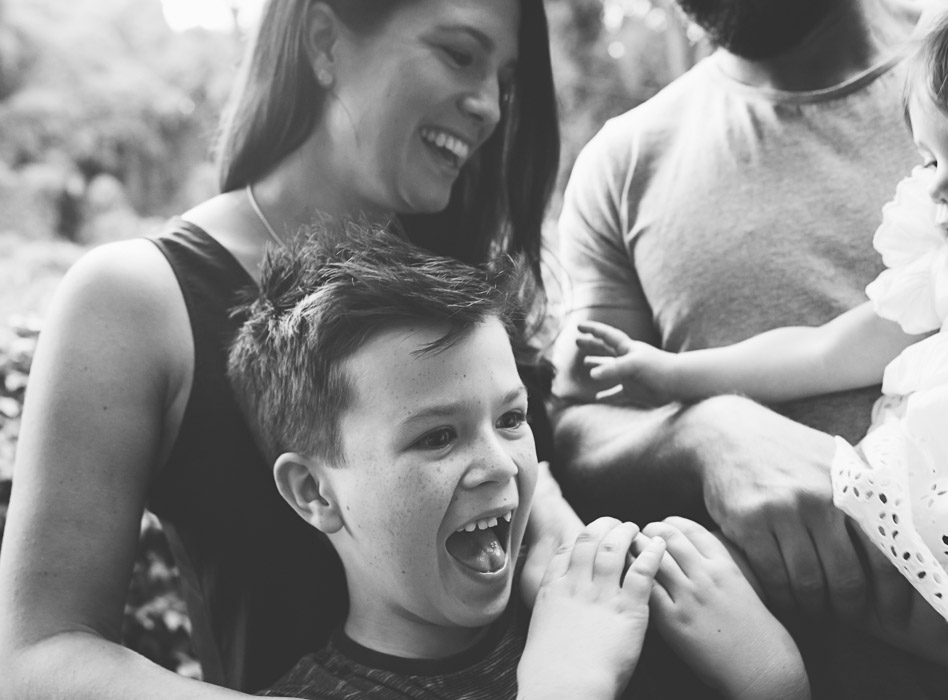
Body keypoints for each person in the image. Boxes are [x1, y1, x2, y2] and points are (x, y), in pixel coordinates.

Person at [0, 0, 561, 697]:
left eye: (504, 79)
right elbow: (39, 657)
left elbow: (549, 505)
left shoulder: (458, 274)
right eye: (458, 54)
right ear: (325, 40)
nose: (490, 108)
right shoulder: (135, 298)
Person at [550, 0, 948, 696]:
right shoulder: (623, 164)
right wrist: (705, 430)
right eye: (928, 160)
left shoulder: (934, 66)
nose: (936, 181)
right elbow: (575, 429)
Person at [226, 226, 809, 700]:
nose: (500, 466)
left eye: (510, 419)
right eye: (437, 437)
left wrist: (771, 678)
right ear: (314, 492)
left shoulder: (618, 607)